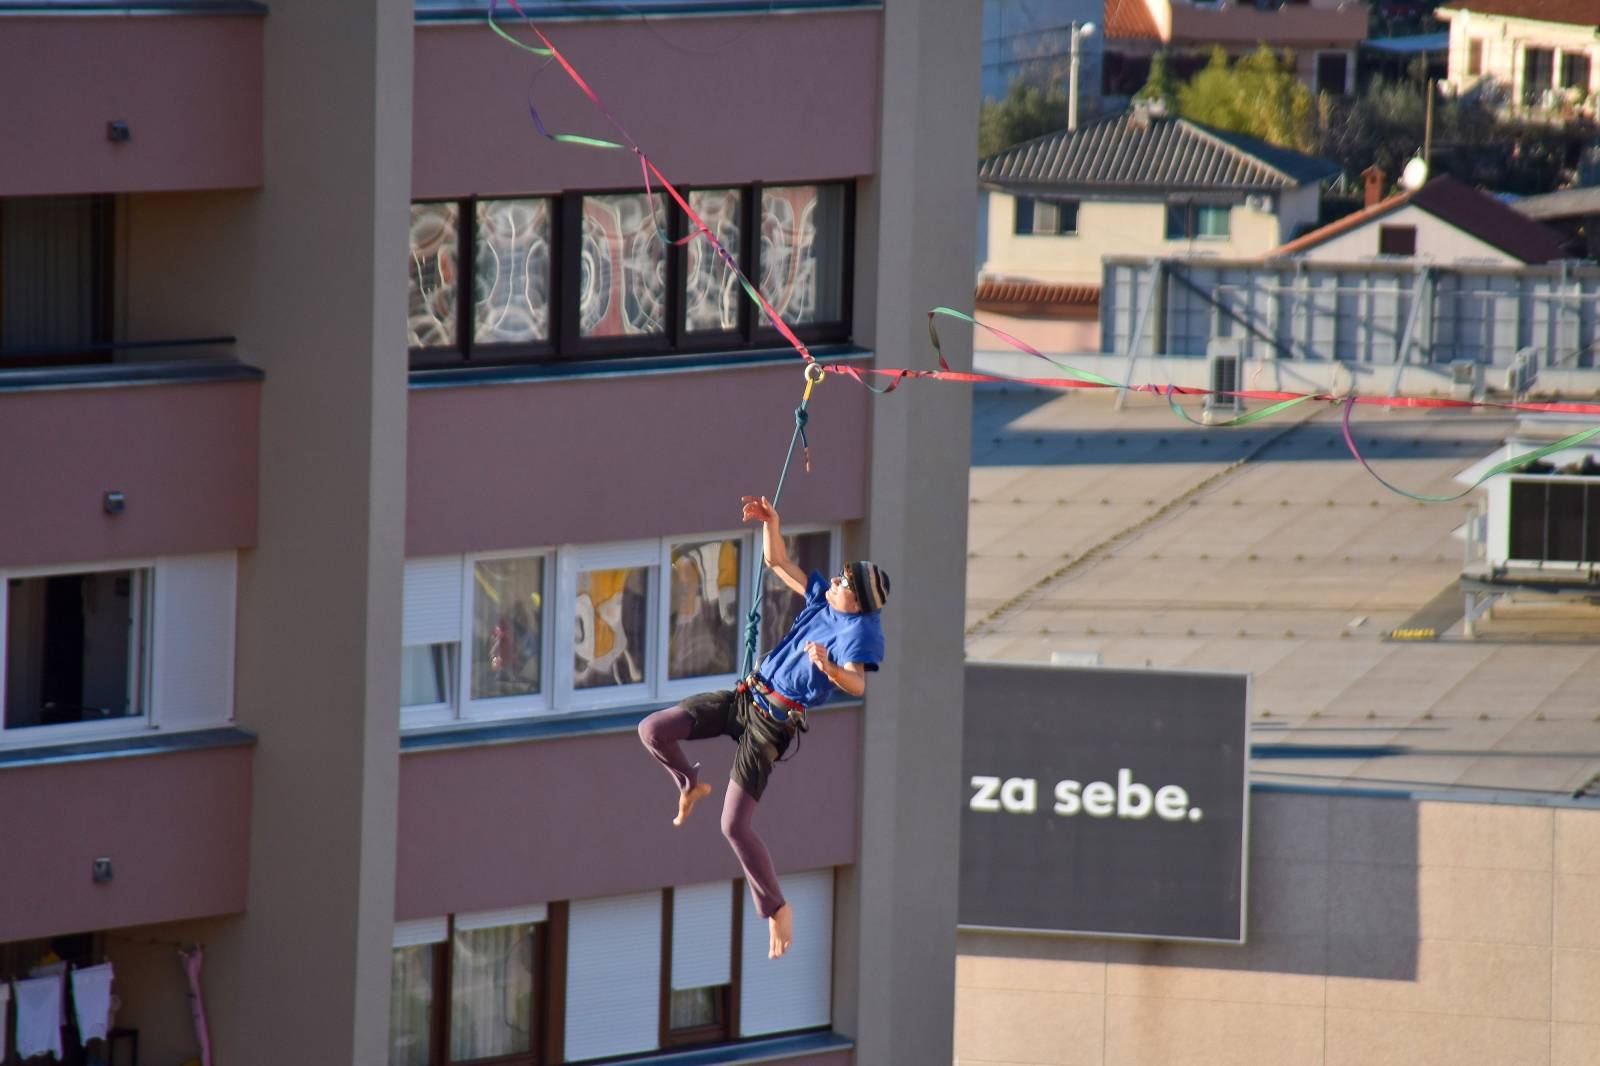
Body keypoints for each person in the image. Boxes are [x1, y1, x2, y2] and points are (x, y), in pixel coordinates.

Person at [638, 495, 890, 959]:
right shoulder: (826, 604)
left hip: (770, 727)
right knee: (653, 729)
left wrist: (830, 670)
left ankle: (775, 907)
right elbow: (777, 563)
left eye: (842, 584)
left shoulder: (859, 630)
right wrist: (771, 523)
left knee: (733, 825)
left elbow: (858, 685)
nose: (833, 582)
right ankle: (688, 783)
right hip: (745, 698)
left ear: (856, 601)